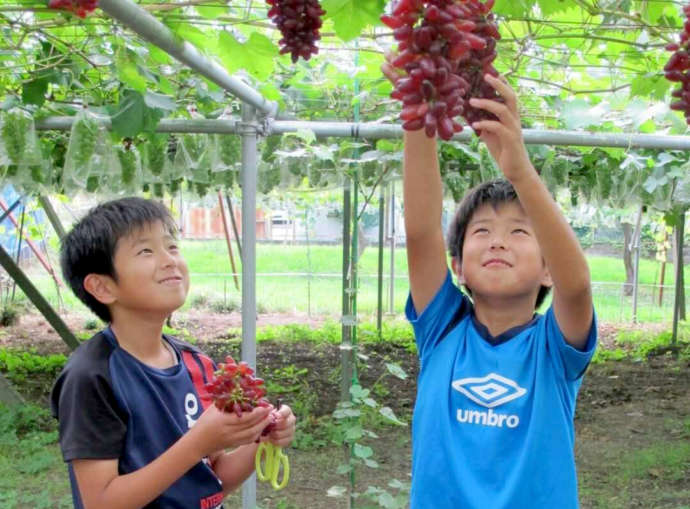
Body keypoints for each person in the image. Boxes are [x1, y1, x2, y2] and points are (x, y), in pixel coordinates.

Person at [389, 67, 597, 507]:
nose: (498, 240)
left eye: (520, 233)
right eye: (481, 231)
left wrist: (520, 171)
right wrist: (419, 111)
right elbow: (422, 232)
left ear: (547, 271)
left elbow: (575, 286)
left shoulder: (554, 350)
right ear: (458, 267)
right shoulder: (442, 329)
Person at [51, 197, 296, 509]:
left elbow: (214, 478)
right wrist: (198, 444)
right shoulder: (92, 377)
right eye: (146, 251)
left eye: (172, 246)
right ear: (102, 287)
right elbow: (101, 502)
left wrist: (263, 437)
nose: (169, 260)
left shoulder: (198, 364)